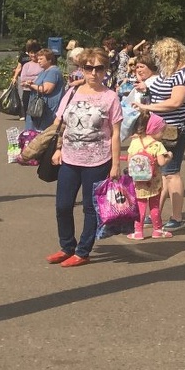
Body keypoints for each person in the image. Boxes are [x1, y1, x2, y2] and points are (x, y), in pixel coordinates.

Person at [46, 47, 122, 267]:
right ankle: (66, 246)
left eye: (99, 68)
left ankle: (83, 251)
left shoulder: (110, 97)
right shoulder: (72, 93)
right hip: (69, 158)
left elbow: (116, 133)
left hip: (97, 160)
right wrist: (58, 148)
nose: (94, 73)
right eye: (89, 68)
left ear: (105, 70)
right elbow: (60, 124)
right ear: (81, 69)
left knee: (90, 207)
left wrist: (115, 164)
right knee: (62, 205)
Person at [144, 37, 185, 233]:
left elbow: (176, 102)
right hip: (163, 127)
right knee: (162, 172)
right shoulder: (171, 72)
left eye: (160, 56)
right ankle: (155, 214)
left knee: (171, 172)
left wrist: (147, 106)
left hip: (175, 128)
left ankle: (177, 217)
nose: (157, 60)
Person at [126, 112, 174, 240]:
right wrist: (169, 156)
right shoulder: (157, 145)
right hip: (154, 181)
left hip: (138, 182)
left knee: (140, 206)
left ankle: (138, 232)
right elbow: (161, 162)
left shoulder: (135, 142)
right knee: (154, 206)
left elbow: (130, 159)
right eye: (161, 132)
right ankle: (157, 230)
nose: (162, 135)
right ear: (154, 129)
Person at [24, 48, 65, 132]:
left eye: (41, 59)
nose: (38, 61)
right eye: (38, 59)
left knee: (42, 133)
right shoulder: (44, 71)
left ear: (49, 60)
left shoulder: (53, 72)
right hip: (39, 108)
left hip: (46, 109)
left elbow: (46, 89)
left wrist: (31, 85)